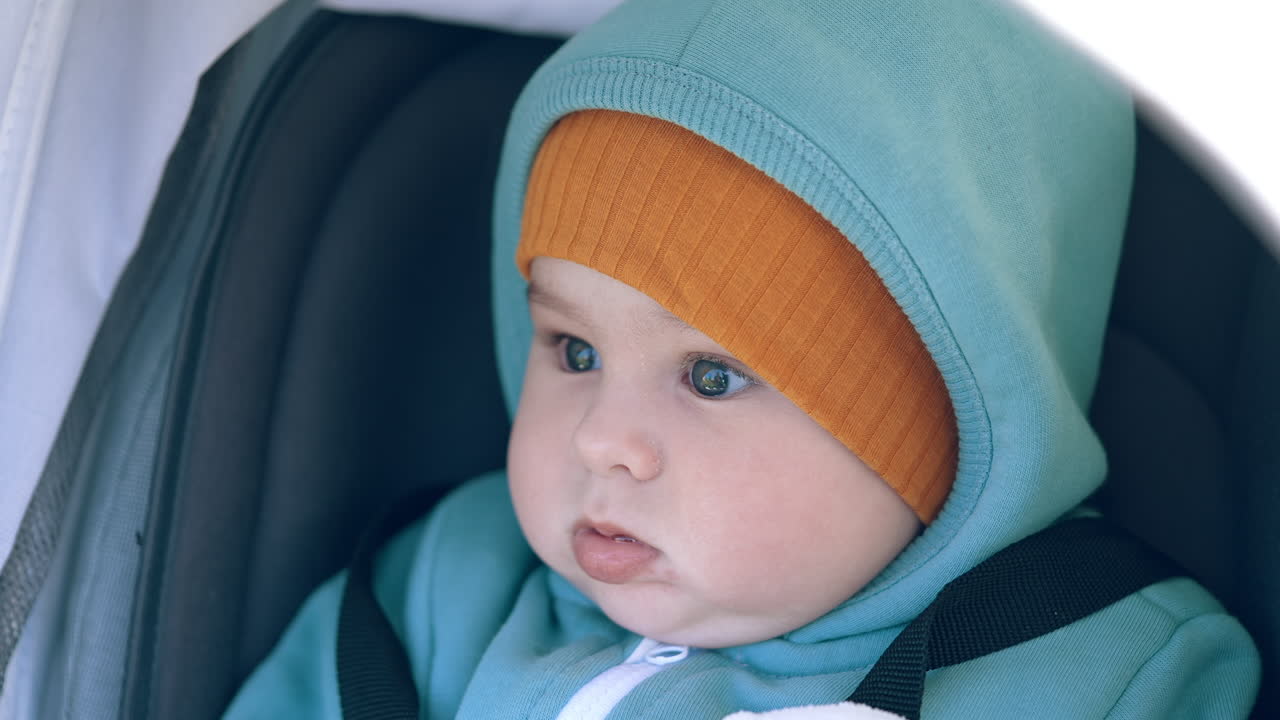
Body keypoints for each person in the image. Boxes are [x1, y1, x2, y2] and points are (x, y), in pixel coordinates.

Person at [223, 0, 1260, 717]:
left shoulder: (1112, 672)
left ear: (940, 424)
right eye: (572, 348)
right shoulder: (444, 587)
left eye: (711, 376)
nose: (601, 441)